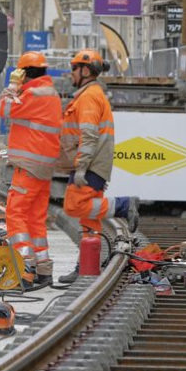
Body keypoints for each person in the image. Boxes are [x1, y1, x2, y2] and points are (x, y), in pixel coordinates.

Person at [58, 49, 139, 284]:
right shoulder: (89, 94)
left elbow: (89, 134)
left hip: (91, 163)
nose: (70, 73)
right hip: (91, 161)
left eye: (74, 68)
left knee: (74, 205)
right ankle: (86, 266)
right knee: (89, 220)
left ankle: (124, 205)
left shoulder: (89, 97)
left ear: (84, 70)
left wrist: (82, 167)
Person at [0, 52, 62, 290]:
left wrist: (12, 85)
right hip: (44, 167)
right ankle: (44, 271)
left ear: (24, 73)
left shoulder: (32, 94)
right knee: (35, 219)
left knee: (15, 214)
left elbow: (3, 108)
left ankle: (24, 270)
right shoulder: (51, 93)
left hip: (29, 165)